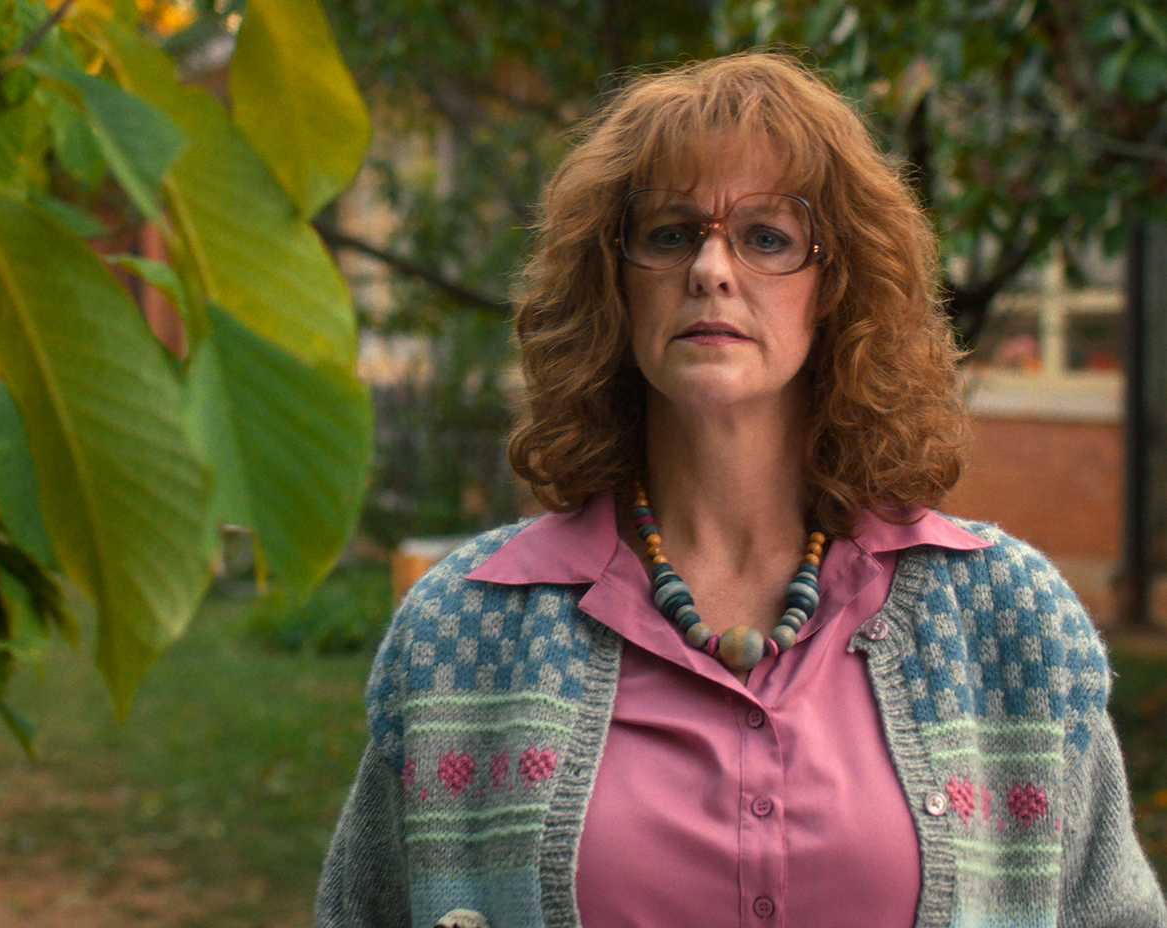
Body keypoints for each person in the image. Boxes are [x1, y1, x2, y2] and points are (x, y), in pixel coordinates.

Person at [314, 50, 1167, 928]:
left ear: (835, 287)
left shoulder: (1009, 621)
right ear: (613, 283)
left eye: (766, 238)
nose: (711, 269)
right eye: (670, 234)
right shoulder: (464, 631)